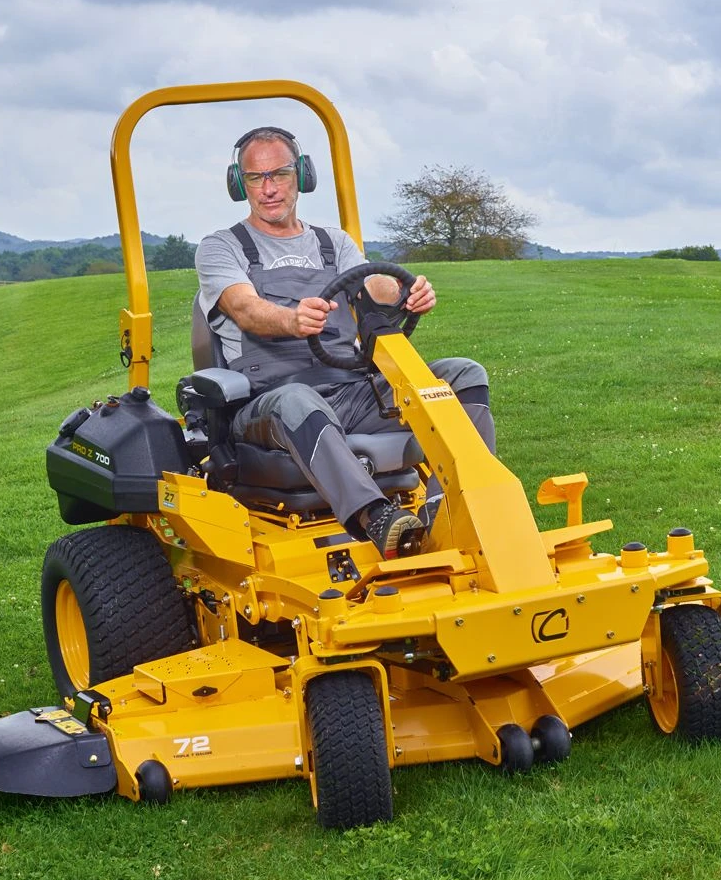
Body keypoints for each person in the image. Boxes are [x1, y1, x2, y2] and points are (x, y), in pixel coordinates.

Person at [194, 126, 495, 560]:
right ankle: (376, 518)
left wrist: (406, 293)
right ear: (239, 184)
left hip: (349, 389)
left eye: (280, 174)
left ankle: (446, 510)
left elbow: (373, 287)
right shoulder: (222, 247)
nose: (269, 188)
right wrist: (291, 320)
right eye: (256, 178)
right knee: (297, 399)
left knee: (463, 375)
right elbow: (244, 308)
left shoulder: (333, 243)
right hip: (268, 402)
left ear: (302, 175)